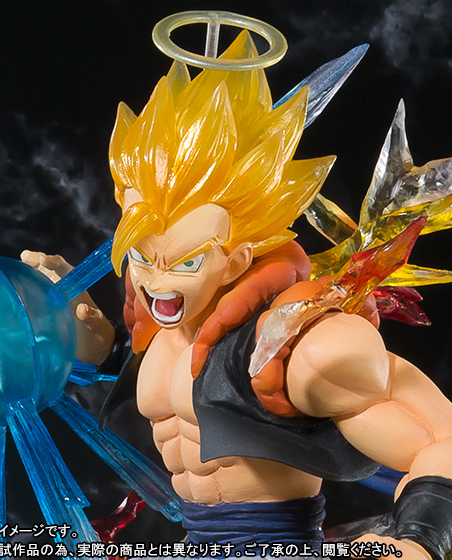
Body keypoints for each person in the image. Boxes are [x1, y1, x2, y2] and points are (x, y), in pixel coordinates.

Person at [23, 32, 452, 559]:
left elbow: (442, 440)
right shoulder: (159, 333)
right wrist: (85, 327)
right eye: (141, 254)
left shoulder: (299, 347)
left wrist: (418, 543)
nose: (157, 281)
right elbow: (158, 374)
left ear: (237, 258)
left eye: (187, 261)